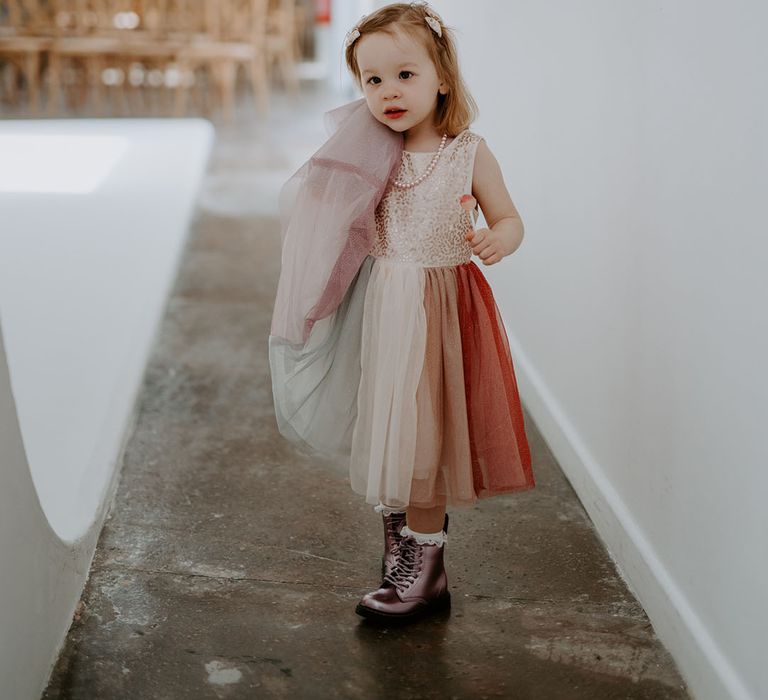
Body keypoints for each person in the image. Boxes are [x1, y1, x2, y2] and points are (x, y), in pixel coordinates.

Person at [268, 1, 535, 622]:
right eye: (373, 80)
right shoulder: (370, 152)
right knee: (390, 429)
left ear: (442, 75)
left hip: (440, 311)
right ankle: (404, 553)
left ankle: (427, 567)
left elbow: (509, 217)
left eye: (405, 75)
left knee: (425, 439)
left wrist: (500, 238)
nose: (388, 92)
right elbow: (335, 219)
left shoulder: (468, 152)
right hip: (383, 309)